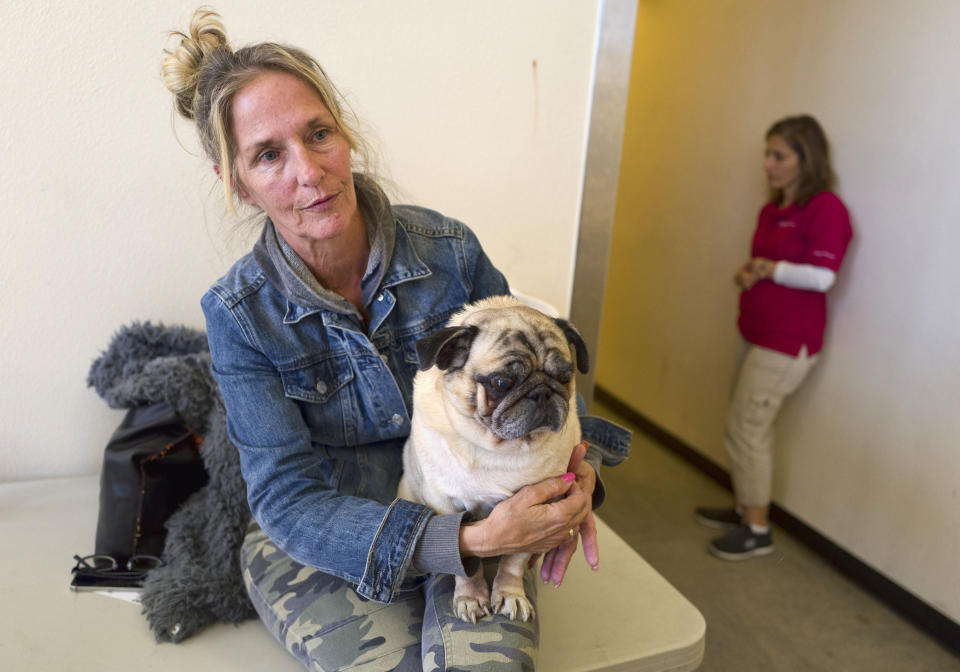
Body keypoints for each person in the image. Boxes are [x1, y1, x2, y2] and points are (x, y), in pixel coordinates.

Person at [161, 8, 630, 671]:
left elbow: (538, 377)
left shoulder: (451, 251)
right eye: (269, 155)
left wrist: (577, 475)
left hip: (486, 509)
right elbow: (287, 501)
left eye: (318, 134)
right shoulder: (238, 315)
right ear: (236, 182)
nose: (309, 171)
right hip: (331, 539)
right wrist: (466, 540)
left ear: (345, 135)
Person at [695, 115, 853, 561]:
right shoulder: (774, 209)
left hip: (788, 342)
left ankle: (758, 529)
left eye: (778, 155)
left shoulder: (826, 209)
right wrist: (751, 273)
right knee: (740, 425)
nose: (767, 164)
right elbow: (769, 262)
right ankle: (746, 508)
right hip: (758, 332)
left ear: (807, 159)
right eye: (767, 154)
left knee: (749, 429)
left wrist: (768, 268)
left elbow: (823, 276)